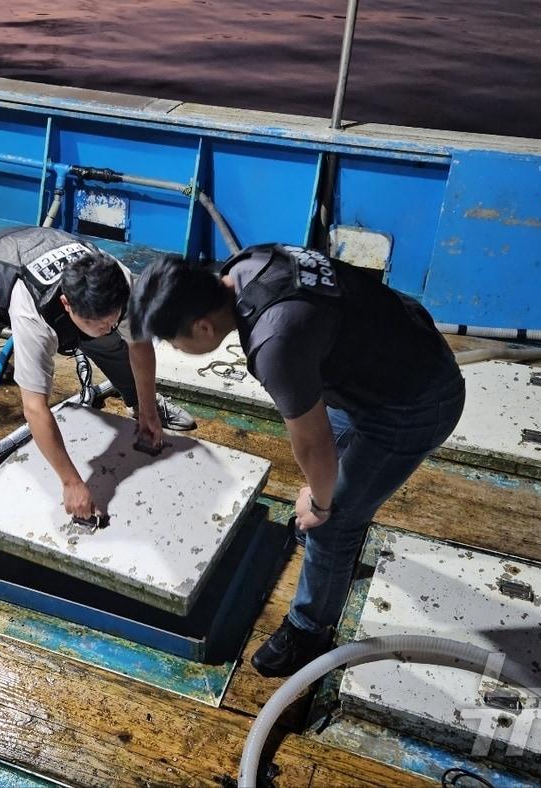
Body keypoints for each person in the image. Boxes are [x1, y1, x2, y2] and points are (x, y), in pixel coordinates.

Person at [129, 244, 465, 676]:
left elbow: (313, 443)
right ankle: (325, 548)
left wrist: (323, 503)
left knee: (333, 519)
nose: (175, 348)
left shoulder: (274, 342)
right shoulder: (249, 262)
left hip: (414, 403)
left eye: (174, 341)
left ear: (203, 327)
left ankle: (309, 630)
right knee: (326, 494)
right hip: (388, 352)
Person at [0, 227, 196, 551]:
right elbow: (35, 407)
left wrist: (146, 409)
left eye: (113, 317)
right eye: (98, 320)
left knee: (108, 341)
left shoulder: (118, 280)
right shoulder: (33, 314)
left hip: (38, 259)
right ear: (67, 304)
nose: (109, 324)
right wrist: (72, 482)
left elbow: (140, 343)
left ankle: (145, 406)